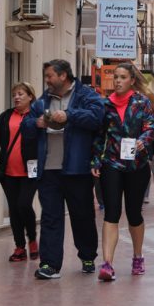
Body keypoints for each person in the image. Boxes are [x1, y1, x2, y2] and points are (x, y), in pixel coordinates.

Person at [23, 59, 104, 280]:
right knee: (50, 217)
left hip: (76, 168)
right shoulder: (42, 101)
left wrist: (69, 116)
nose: (47, 80)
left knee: (82, 215)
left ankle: (87, 255)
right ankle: (49, 264)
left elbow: (98, 117)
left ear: (63, 76)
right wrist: (36, 124)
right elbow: (26, 125)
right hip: (48, 169)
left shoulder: (85, 95)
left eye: (50, 76)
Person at [91, 63, 154, 282]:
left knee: (134, 213)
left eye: (122, 77)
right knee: (111, 211)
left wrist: (142, 141)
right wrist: (95, 161)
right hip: (112, 163)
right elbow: (100, 136)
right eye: (115, 77)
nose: (117, 81)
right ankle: (107, 263)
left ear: (131, 80)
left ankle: (138, 256)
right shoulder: (105, 105)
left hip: (137, 166)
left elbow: (151, 127)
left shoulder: (142, 102)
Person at [0, 82, 39, 262]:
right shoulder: (6, 116)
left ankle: (33, 240)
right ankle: (19, 246)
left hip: (30, 172)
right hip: (8, 173)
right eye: (14, 94)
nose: (16, 97)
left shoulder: (37, 117)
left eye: (20, 94)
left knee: (24, 205)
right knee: (14, 209)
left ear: (30, 97)